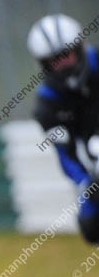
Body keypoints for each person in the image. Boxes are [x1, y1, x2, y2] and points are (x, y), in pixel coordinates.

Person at [28, 14, 99, 242]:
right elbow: (65, 156)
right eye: (55, 60)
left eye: (67, 55)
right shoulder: (47, 105)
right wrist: (88, 184)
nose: (64, 64)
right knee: (91, 227)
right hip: (94, 159)